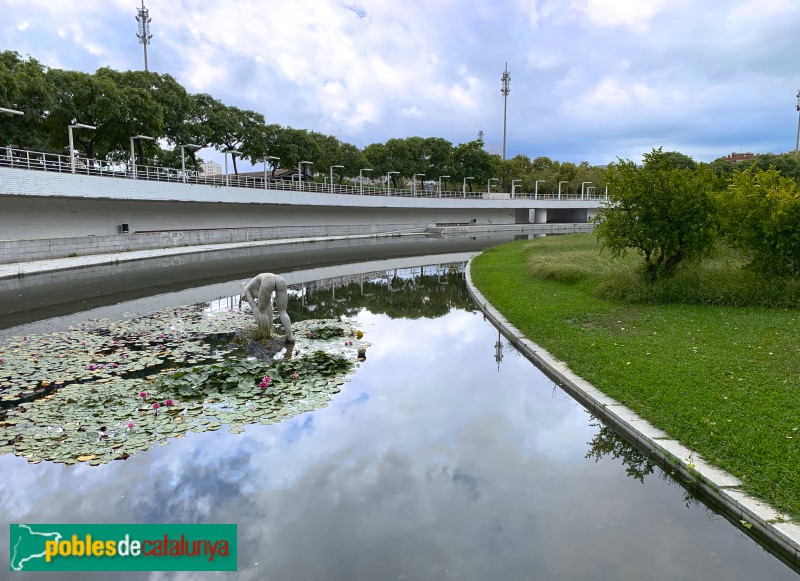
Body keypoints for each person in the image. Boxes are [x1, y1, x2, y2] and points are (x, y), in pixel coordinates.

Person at [240, 273, 294, 342]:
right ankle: (290, 336)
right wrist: (271, 328)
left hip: (267, 280)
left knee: (261, 311)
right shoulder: (255, 287)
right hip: (280, 279)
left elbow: (255, 309)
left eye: (246, 300)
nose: (249, 300)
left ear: (244, 296)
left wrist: (260, 327)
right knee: (283, 311)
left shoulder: (246, 291)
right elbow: (269, 307)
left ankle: (265, 334)